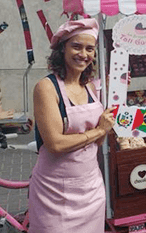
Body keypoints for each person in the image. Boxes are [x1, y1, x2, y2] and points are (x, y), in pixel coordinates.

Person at [28, 18, 115, 233]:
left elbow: (99, 141)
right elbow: (55, 144)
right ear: (63, 49)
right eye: (76, 46)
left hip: (91, 187)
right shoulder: (46, 88)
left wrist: (105, 126)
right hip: (54, 192)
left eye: (89, 49)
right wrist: (98, 130)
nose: (83, 54)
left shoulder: (90, 89)